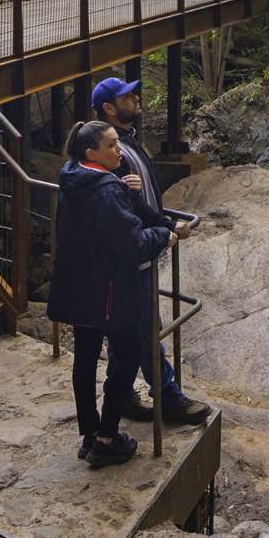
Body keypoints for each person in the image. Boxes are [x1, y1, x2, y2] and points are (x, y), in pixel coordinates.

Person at [47, 118, 177, 467]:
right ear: (92, 152)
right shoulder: (105, 190)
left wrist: (126, 192)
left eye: (118, 143)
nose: (120, 150)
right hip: (109, 289)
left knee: (86, 359)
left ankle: (90, 434)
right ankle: (106, 438)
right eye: (112, 145)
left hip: (80, 286)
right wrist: (164, 236)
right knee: (128, 356)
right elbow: (134, 244)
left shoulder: (74, 175)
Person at [88, 76, 211, 427]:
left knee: (126, 329)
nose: (136, 98)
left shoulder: (122, 143)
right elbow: (132, 208)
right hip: (131, 255)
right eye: (127, 96)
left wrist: (161, 225)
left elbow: (140, 200)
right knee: (143, 327)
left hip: (130, 252)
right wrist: (164, 230)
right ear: (109, 108)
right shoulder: (115, 153)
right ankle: (168, 397)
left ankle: (123, 395)